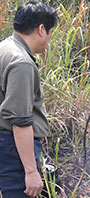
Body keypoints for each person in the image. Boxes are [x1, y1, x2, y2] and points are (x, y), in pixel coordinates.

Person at [0, 2, 59, 198]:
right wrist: (32, 172)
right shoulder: (21, 62)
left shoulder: (5, 47)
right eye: (51, 33)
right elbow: (20, 119)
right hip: (13, 148)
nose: (49, 41)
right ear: (41, 29)